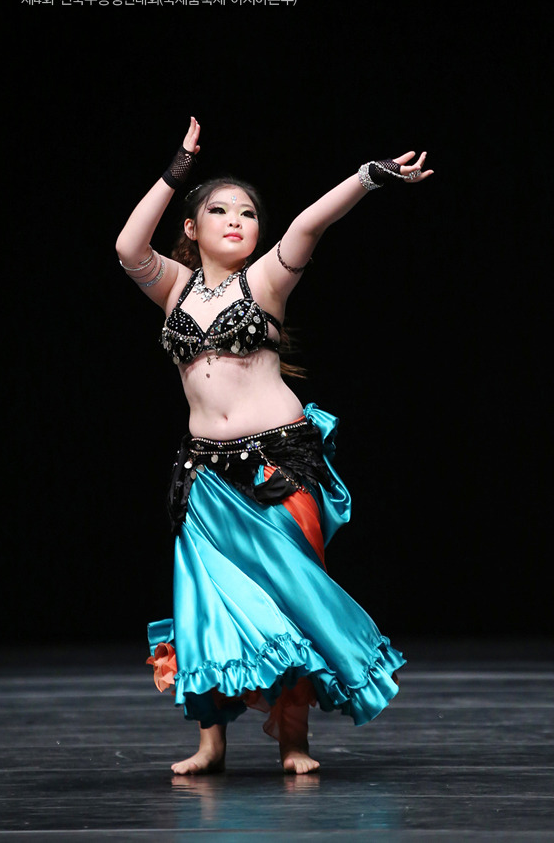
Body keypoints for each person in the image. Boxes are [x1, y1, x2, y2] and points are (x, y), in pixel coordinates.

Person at [116, 117, 433, 775]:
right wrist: (176, 170)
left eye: (248, 213)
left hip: (276, 468)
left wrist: (367, 177)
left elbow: (310, 225)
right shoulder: (172, 288)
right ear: (191, 228)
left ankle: (294, 744)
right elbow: (127, 245)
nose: (236, 220)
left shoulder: (264, 282)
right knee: (207, 607)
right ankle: (210, 744)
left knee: (291, 600)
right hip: (205, 476)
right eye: (219, 211)